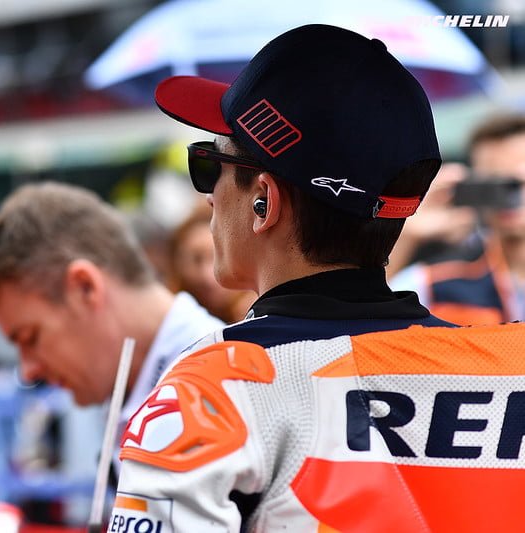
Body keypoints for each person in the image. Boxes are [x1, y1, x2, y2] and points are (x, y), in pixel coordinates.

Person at [110, 24, 525, 532]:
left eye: (209, 166)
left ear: (263, 201)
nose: (209, 197)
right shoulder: (513, 369)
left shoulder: (211, 391)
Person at [0, 182, 224, 472]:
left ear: (85, 288)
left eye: (30, 338)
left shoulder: (223, 391)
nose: (28, 371)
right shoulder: (132, 385)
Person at [390, 113, 525, 325]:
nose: (507, 196)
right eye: (492, 184)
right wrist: (407, 233)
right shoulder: (435, 281)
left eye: (517, 182)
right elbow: (364, 315)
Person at [168, 202, 254, 323]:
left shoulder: (261, 315)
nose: (207, 276)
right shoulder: (171, 317)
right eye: (196, 260)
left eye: (221, 257)